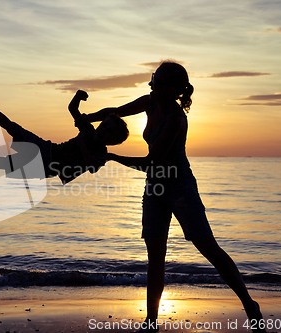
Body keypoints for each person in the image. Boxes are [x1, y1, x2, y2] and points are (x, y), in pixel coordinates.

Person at [86, 61, 265, 333]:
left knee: (209, 249)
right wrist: (87, 118)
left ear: (170, 90)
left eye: (155, 81)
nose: (150, 84)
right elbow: (114, 112)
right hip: (155, 189)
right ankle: (151, 322)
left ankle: (250, 306)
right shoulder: (150, 102)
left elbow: (151, 161)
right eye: (152, 78)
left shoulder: (176, 120)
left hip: (180, 189)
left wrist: (111, 157)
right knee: (155, 256)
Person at [0, 84, 129, 184]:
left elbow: (91, 164)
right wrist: (77, 97)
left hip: (46, 167)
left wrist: (84, 144)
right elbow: (72, 109)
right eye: (104, 126)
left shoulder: (101, 155)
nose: (104, 131)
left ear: (114, 141)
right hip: (45, 148)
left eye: (109, 132)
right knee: (13, 127)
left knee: (0, 162)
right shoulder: (88, 129)